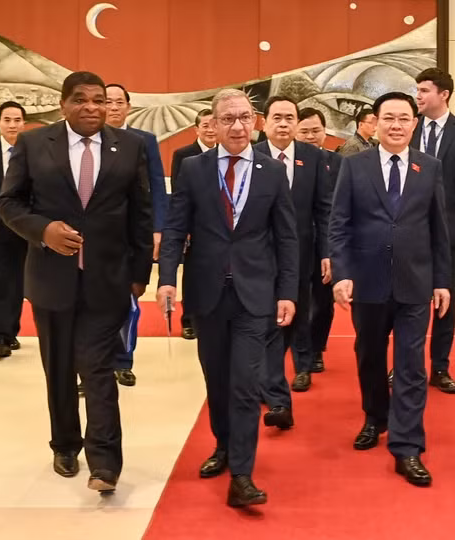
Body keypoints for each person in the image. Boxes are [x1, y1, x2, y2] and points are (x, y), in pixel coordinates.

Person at [0, 71, 154, 493]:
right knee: (60, 370)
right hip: (51, 279)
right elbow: (9, 202)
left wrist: (141, 274)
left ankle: (105, 463)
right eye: (81, 99)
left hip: (108, 279)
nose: (91, 107)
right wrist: (42, 230)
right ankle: (65, 443)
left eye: (99, 100)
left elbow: (141, 212)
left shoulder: (130, 146)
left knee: (98, 367)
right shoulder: (34, 143)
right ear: (64, 104)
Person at [156, 88, 299, 505]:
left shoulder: (272, 171)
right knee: (216, 380)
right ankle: (223, 444)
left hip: (256, 295)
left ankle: (241, 473)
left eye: (243, 118)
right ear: (214, 125)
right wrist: (166, 278)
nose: (237, 126)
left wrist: (287, 291)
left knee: (244, 383)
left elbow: (287, 238)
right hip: (207, 293)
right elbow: (175, 230)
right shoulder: (193, 170)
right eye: (227, 119)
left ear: (254, 122)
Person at [330, 91, 451, 486]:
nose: (396, 125)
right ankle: (375, 417)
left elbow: (439, 230)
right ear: (375, 123)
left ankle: (407, 445)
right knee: (368, 354)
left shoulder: (429, 168)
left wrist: (442, 281)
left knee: (412, 364)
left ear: (414, 124)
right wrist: (343, 272)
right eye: (389, 118)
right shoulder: (355, 165)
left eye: (404, 118)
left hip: (415, 281)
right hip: (368, 280)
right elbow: (340, 223)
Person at [407, 67, 455, 394]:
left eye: (424, 90)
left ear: (444, 94)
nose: (418, 96)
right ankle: (406, 365)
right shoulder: (408, 128)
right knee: (408, 301)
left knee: (445, 300)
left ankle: (440, 367)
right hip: (408, 229)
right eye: (417, 90)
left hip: (449, 230)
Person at [256, 96, 331, 407]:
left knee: (299, 306)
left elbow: (323, 209)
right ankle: (264, 375)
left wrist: (328, 252)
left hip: (301, 248)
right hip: (258, 251)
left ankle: (302, 366)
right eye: (277, 117)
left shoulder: (313, 157)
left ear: (297, 123)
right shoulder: (253, 154)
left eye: (290, 117)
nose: (284, 123)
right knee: (261, 312)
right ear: (264, 122)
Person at [105, 83, 169, 387]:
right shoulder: (86, 141)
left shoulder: (144, 141)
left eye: (120, 102)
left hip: (134, 234)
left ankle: (123, 360)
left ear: (129, 107)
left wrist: (158, 228)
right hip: (97, 236)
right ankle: (94, 365)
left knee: (129, 300)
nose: (114, 107)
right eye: (108, 101)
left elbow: (158, 186)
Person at [296, 107, 342, 373]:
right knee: (298, 297)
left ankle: (316, 349)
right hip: (297, 241)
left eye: (316, 131)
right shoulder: (284, 162)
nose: (311, 136)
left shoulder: (338, 163)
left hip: (329, 240)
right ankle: (299, 347)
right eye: (305, 131)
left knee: (324, 301)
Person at [169, 108, 217, 340]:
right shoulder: (184, 155)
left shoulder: (226, 153)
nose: (209, 129)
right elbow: (179, 193)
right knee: (192, 274)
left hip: (220, 226)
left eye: (212, 124)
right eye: (204, 125)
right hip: (194, 225)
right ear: (196, 129)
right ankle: (188, 320)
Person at [0, 101, 27, 358]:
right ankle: (1, 335)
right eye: (7, 119)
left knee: (15, 282)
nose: (12, 124)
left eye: (17, 120)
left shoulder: (31, 152)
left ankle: (8, 331)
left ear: (24, 123)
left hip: (23, 227)